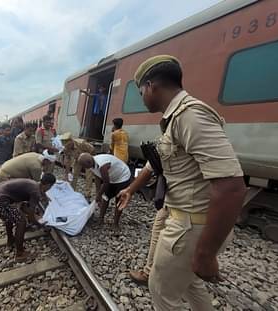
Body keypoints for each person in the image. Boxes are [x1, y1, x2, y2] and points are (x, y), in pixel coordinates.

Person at [117, 55, 246, 310]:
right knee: (189, 283)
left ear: (152, 85)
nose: (142, 97)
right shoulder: (175, 118)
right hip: (186, 220)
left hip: (190, 226)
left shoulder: (190, 115)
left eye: (141, 91)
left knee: (161, 291)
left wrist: (206, 254)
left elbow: (231, 186)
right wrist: (131, 189)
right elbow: (157, 162)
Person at [0, 173, 56, 261]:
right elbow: (30, 214)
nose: (50, 189)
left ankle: (10, 241)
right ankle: (20, 254)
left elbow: (24, 207)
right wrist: (39, 224)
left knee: (9, 218)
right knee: (21, 222)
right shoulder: (36, 192)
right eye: (51, 187)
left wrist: (44, 197)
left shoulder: (33, 184)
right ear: (48, 185)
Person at [77, 153, 131, 230]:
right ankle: (100, 220)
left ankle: (115, 224)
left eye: (84, 166)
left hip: (122, 177)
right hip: (111, 179)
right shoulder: (91, 164)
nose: (84, 168)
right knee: (105, 198)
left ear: (89, 162)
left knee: (119, 201)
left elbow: (106, 182)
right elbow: (97, 177)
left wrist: (99, 195)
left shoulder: (102, 165)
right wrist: (98, 192)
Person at [60, 132, 95, 199]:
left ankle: (87, 194)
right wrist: (66, 174)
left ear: (71, 141)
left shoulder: (81, 143)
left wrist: (91, 161)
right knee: (74, 174)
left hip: (88, 159)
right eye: (65, 145)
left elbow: (92, 150)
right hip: (77, 160)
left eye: (67, 145)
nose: (66, 147)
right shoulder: (66, 149)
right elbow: (68, 161)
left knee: (89, 176)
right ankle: (71, 190)